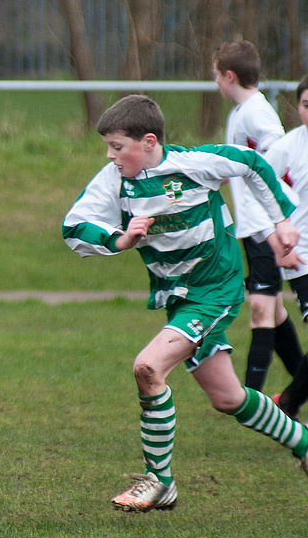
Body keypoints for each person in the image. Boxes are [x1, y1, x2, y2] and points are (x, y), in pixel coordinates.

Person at [62, 94, 308, 513]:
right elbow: (73, 226)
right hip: (178, 298)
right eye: (108, 147)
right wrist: (118, 239)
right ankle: (303, 442)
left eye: (118, 147)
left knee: (148, 367)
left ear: (150, 141)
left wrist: (281, 220)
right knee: (228, 398)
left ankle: (159, 481)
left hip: (216, 288)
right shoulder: (114, 180)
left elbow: (252, 164)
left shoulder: (194, 163)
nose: (110, 155)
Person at [212, 40, 304, 391]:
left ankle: (249, 399)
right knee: (275, 314)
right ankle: (299, 387)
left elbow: (277, 163)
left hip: (267, 228)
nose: (215, 83)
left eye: (216, 75)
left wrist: (279, 225)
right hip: (252, 228)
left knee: (260, 313)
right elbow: (242, 163)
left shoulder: (257, 113)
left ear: (230, 75)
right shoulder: (239, 112)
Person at [258, 75, 308, 419]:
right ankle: (287, 403)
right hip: (302, 256)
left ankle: (287, 401)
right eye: (307, 106)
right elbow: (255, 192)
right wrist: (275, 240)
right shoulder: (286, 149)